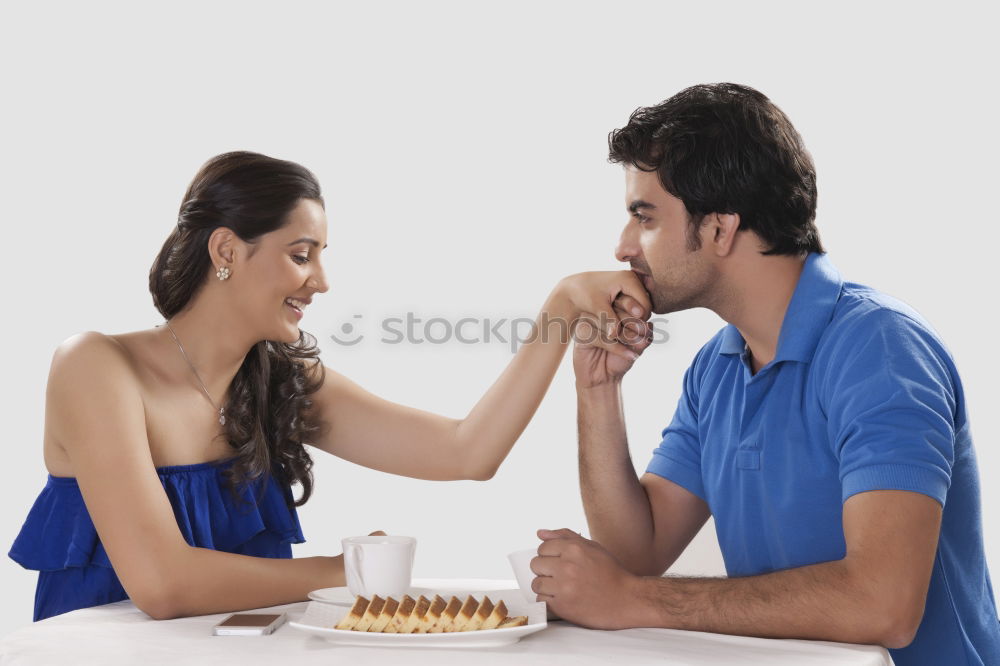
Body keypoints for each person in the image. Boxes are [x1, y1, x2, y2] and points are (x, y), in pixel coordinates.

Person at [8, 151, 654, 622]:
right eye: (300, 254)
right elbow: (162, 585)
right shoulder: (93, 367)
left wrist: (560, 311)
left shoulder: (280, 382)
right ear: (227, 252)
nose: (320, 282)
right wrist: (349, 570)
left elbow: (466, 453)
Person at [529, 83, 1000, 665]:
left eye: (644, 217)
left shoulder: (880, 350)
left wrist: (636, 600)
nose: (624, 246)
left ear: (721, 228)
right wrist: (598, 389)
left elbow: (885, 607)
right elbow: (636, 551)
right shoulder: (717, 368)